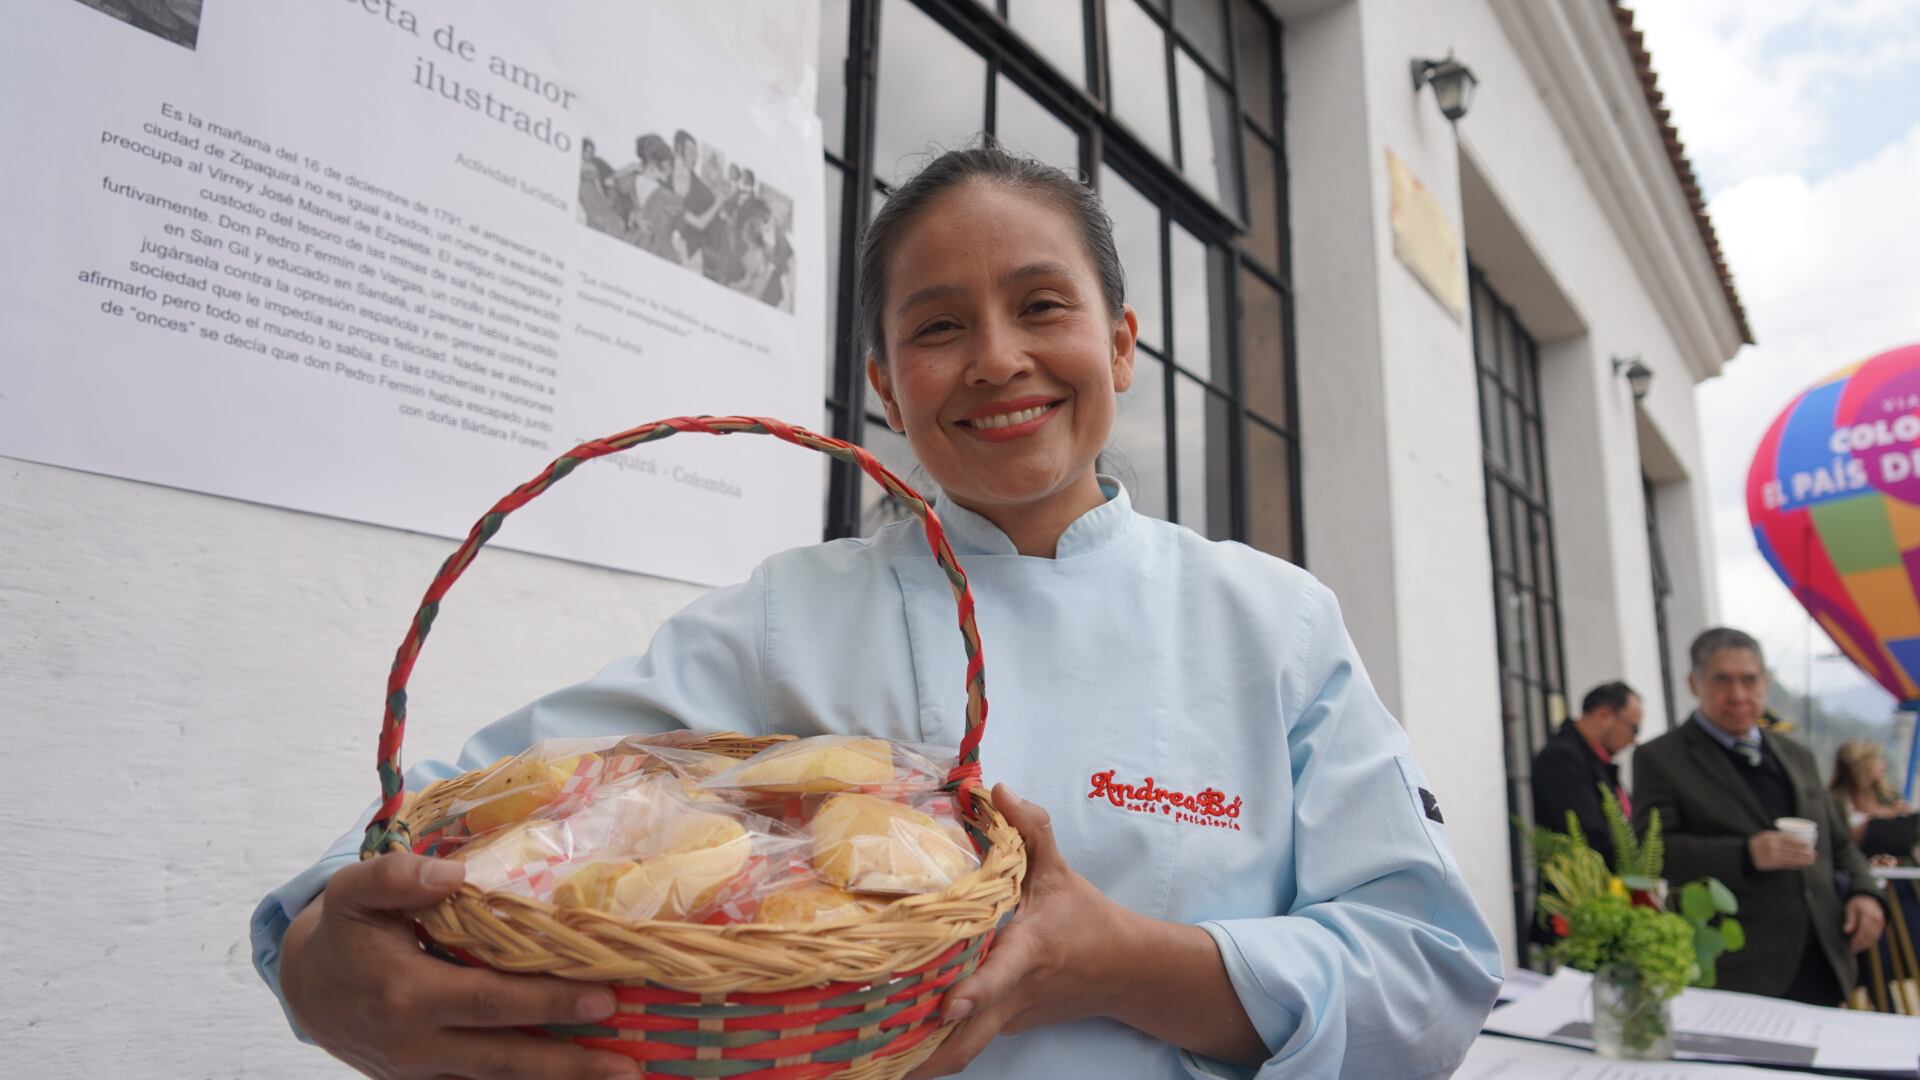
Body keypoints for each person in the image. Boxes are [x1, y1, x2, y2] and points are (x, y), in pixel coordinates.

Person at [251, 144, 1502, 1079]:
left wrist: (1124, 962)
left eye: (1043, 306)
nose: (999, 358)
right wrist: (319, 960)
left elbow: (1432, 977)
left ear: (1123, 344)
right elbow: (473, 808)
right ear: (884, 390)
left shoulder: (1271, 623)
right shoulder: (788, 617)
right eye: (939, 327)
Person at [1632, 627, 1886, 1005]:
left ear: (1765, 683)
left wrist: (1866, 894)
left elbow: (1839, 843)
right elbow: (1654, 855)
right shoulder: (1661, 759)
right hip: (1736, 968)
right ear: (1694, 683)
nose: (1738, 695)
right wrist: (1746, 853)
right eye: (1722, 680)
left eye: (1749, 680)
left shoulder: (1798, 755)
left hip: (1824, 956)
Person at [1531, 681, 1642, 872]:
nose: (1634, 741)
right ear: (1603, 716)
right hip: (1583, 891)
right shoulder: (1562, 758)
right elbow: (1590, 835)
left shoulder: (1595, 760)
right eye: (1634, 729)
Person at [1830, 741, 1913, 850]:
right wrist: (1871, 823)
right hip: (1849, 863)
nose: (1884, 765)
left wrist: (1903, 819)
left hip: (1887, 862)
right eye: (1878, 759)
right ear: (1862, 764)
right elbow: (1832, 841)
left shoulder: (1890, 797)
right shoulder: (1832, 801)